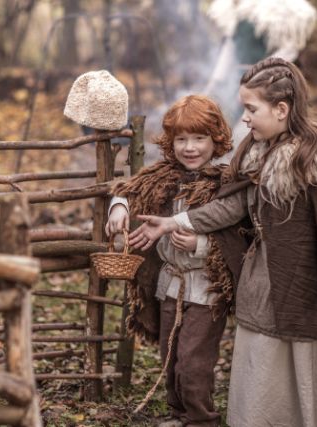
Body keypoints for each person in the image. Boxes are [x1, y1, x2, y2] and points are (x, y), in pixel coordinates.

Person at [128, 57, 317, 427]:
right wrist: (173, 223)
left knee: (303, 356)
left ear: (281, 109)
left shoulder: (316, 163)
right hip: (262, 281)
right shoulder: (255, 154)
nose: (244, 117)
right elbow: (229, 207)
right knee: (262, 358)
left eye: (250, 109)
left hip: (305, 285)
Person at [106, 95, 248, 427]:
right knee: (170, 355)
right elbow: (127, 189)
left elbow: (238, 238)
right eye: (181, 139)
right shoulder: (163, 175)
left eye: (199, 138)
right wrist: (119, 208)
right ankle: (179, 413)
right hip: (169, 284)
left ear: (216, 140)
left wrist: (200, 245)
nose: (190, 147)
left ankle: (201, 419)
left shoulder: (224, 184)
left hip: (206, 288)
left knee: (194, 362)